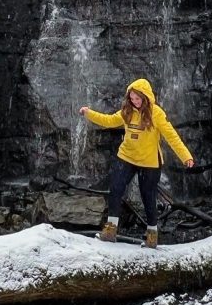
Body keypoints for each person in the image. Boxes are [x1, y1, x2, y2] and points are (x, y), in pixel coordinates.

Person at [80, 78, 194, 249]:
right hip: (126, 157)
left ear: (146, 97)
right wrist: (89, 113)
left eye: (138, 99)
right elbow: (109, 121)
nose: (135, 102)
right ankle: (110, 230)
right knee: (116, 188)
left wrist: (186, 156)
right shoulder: (127, 111)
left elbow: (171, 136)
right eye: (132, 99)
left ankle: (152, 236)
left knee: (148, 196)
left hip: (149, 161)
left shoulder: (156, 113)